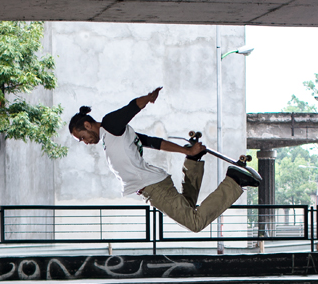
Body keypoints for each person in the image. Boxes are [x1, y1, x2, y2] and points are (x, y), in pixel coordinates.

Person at [68, 87, 261, 233]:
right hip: (155, 183)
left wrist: (148, 99)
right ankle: (193, 163)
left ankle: (234, 181)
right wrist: (188, 151)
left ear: (87, 124)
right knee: (188, 205)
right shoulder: (114, 137)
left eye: (82, 137)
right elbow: (154, 143)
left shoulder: (110, 125)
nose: (85, 142)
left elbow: (131, 107)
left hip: (153, 187)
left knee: (194, 223)